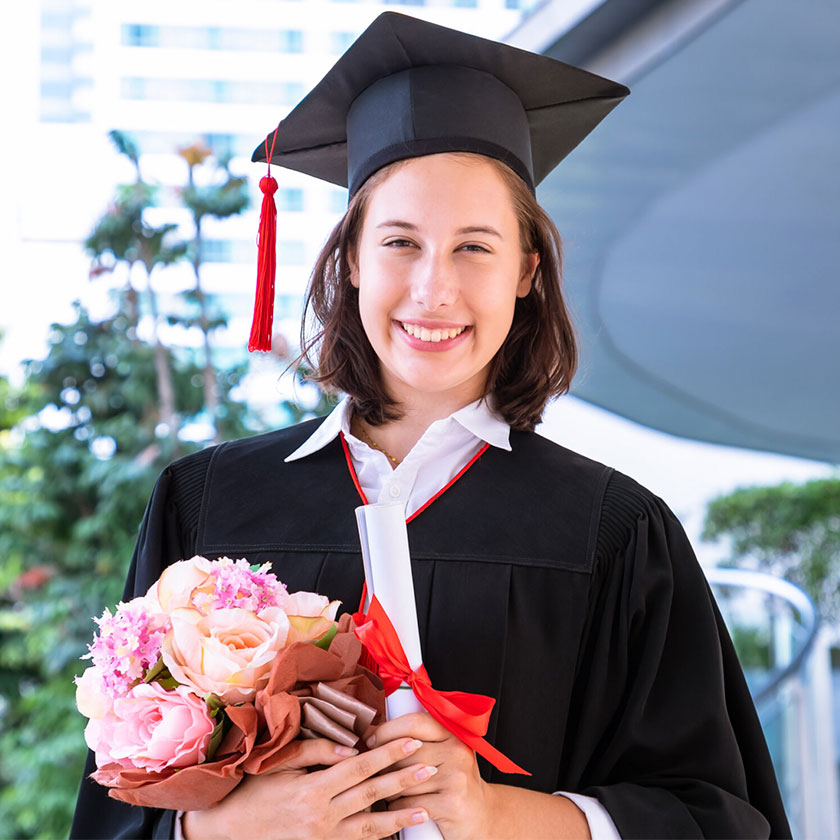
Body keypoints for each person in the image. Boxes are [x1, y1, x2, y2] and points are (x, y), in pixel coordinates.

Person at [71, 12, 791, 840]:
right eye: (400, 242)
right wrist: (223, 827)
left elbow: (718, 819)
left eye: (474, 248)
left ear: (527, 270)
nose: (433, 291)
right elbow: (114, 810)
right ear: (350, 260)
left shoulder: (612, 533)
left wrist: (499, 813)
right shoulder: (208, 504)